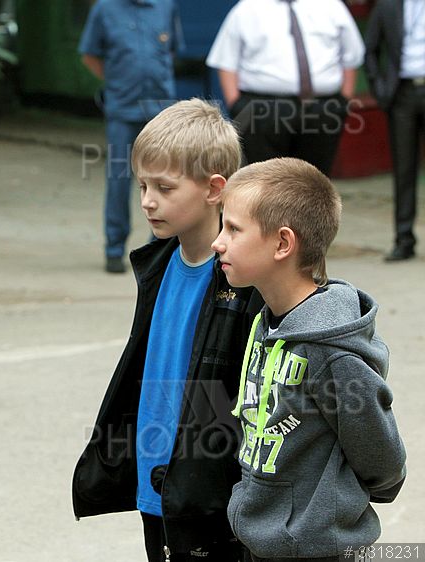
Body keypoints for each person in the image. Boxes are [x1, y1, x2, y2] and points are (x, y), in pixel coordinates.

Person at [72, 99, 261, 561]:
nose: (147, 201)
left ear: (214, 189)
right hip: (153, 481)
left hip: (210, 494)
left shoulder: (243, 281)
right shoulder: (156, 265)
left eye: (164, 187)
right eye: (142, 185)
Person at [211, 158, 407, 562]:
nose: (218, 242)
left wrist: (327, 509)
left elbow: (383, 459)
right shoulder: (266, 322)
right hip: (261, 541)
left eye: (233, 229)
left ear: (283, 244)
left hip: (319, 549)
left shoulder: (331, 351)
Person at [78, 0, 182, 273]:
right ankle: (114, 248)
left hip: (160, 109)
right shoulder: (105, 9)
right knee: (119, 177)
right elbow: (90, 55)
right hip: (122, 108)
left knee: (167, 178)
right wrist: (115, 81)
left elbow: (171, 51)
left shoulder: (165, 6)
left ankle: (159, 246)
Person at [206, 0, 365, 176]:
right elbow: (226, 61)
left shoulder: (332, 6)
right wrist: (236, 105)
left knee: (316, 179)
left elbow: (352, 56)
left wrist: (344, 101)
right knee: (265, 179)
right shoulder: (247, 9)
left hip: (322, 108)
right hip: (262, 109)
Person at [365, 0, 425, 262]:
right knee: (404, 168)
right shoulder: (387, 6)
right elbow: (370, 50)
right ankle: (404, 238)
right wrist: (380, 90)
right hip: (402, 93)